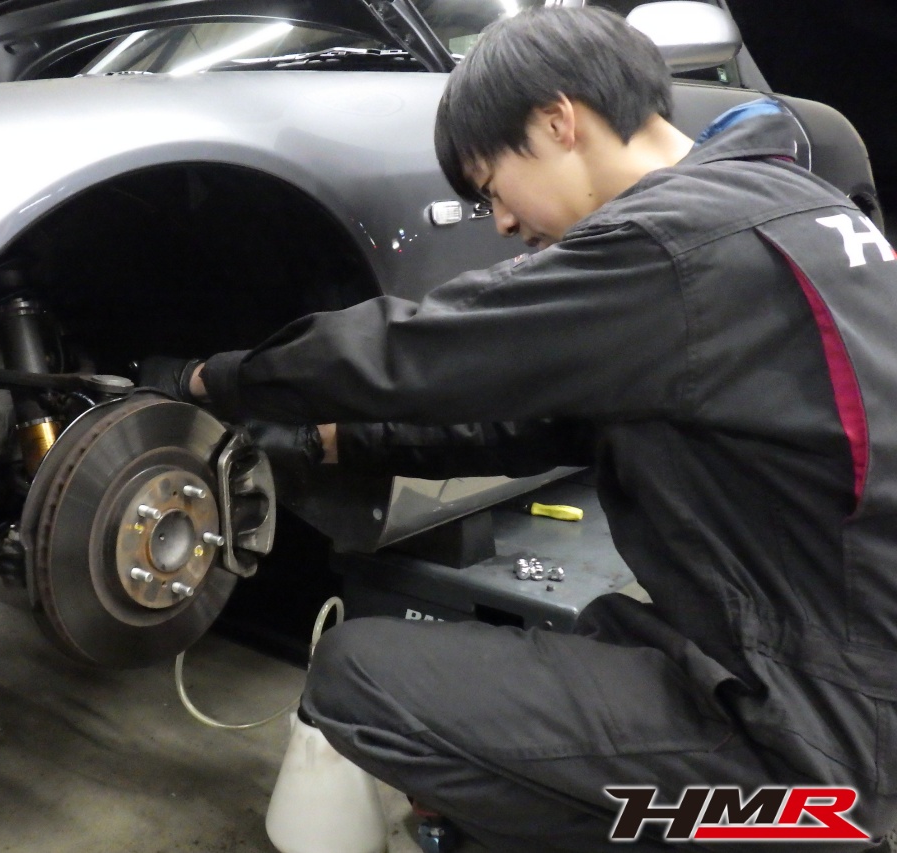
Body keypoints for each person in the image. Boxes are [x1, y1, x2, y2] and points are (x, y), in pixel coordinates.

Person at [140, 7, 897, 850]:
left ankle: (801, 829)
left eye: (491, 185)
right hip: (837, 664)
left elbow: (416, 348)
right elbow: (545, 426)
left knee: (357, 680)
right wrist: (339, 441)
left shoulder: (672, 244)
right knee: (596, 637)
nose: (499, 221)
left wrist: (215, 379)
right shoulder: (781, 206)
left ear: (557, 121)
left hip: (821, 731)